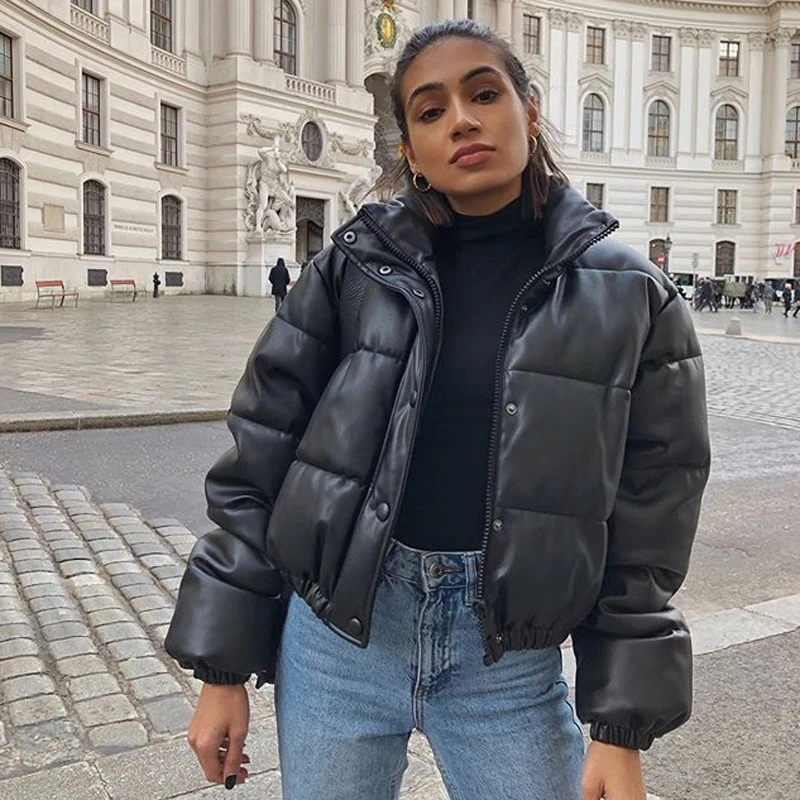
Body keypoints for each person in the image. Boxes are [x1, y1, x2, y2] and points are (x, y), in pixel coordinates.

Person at [165, 20, 710, 800]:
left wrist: (619, 729)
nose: (460, 119)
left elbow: (652, 514)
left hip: (506, 662)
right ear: (412, 151)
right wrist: (222, 668)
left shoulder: (632, 296)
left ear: (529, 111)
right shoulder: (352, 267)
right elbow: (260, 455)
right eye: (429, 110)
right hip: (338, 644)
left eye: (483, 94)